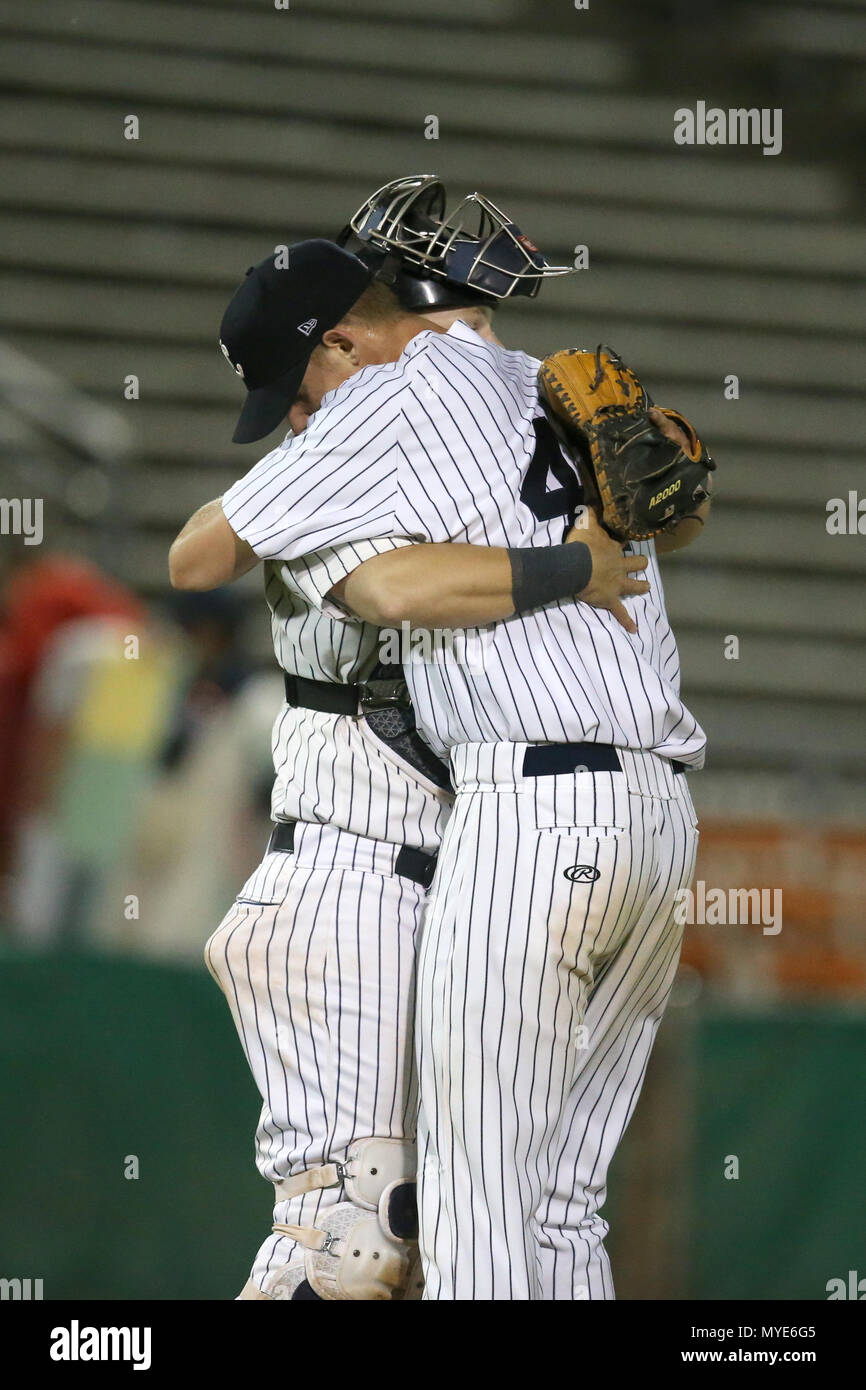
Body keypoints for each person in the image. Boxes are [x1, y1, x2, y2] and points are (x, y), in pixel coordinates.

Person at [171, 194, 708, 1300]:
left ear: (351, 334)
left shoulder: (388, 405)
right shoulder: (542, 395)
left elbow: (212, 553)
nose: (301, 416)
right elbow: (670, 505)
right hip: (639, 822)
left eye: (305, 383)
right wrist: (597, 551)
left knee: (467, 1219)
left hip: (523, 817)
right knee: (532, 1215)